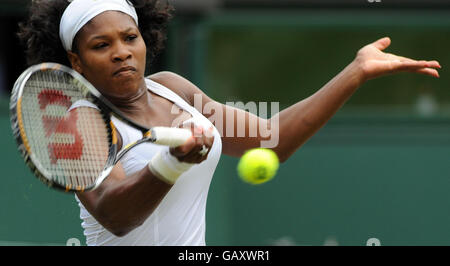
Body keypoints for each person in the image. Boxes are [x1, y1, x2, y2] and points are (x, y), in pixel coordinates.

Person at [17, 0, 441, 246]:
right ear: (76, 61)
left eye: (130, 38)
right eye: (101, 45)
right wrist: (172, 163)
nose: (122, 52)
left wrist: (356, 71)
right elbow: (116, 213)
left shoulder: (173, 90)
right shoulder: (80, 122)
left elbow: (271, 141)